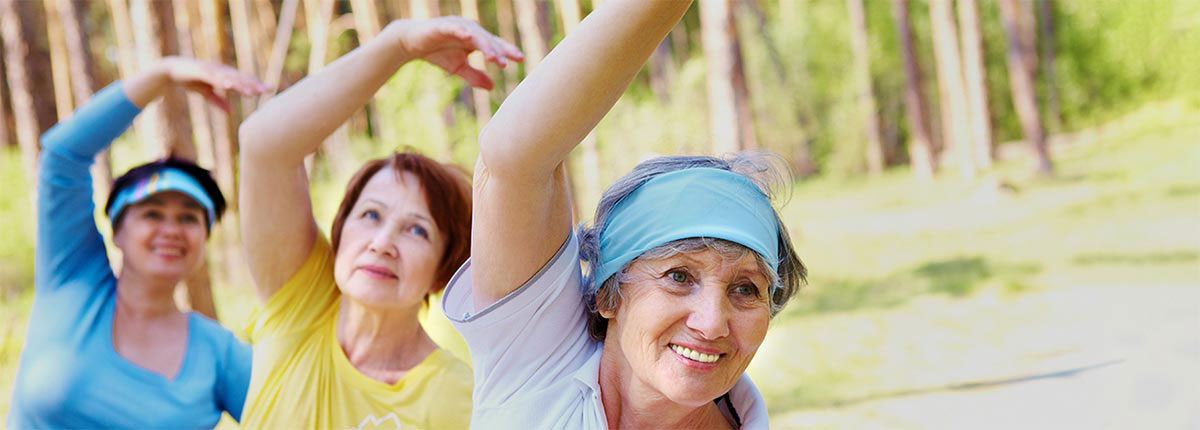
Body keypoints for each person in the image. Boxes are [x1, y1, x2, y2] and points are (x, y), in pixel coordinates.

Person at [440, 0, 807, 428]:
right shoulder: (538, 364)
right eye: (679, 276)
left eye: (746, 289)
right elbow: (514, 156)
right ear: (607, 293)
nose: (711, 324)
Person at [235, 16, 522, 430]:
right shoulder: (300, 301)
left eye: (417, 230)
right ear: (340, 229)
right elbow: (263, 144)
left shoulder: (462, 402)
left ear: (443, 267)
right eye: (371, 215)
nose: (382, 243)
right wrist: (398, 46)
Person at [6, 57, 266, 429]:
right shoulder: (72, 281)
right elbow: (63, 157)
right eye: (152, 213)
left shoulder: (219, 354)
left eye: (189, 217)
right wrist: (163, 74)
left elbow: (301, 414)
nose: (171, 229)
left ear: (204, 240)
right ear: (118, 230)